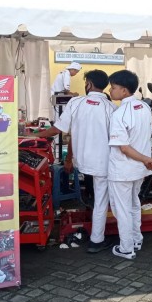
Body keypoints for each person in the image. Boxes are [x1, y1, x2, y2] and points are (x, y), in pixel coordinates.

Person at [34, 70, 117, 254]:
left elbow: (58, 130)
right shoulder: (111, 108)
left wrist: (33, 135)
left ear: (88, 84)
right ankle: (97, 240)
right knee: (101, 201)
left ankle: (95, 233)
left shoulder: (76, 102)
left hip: (82, 162)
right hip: (103, 164)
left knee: (92, 195)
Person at [107, 70, 152, 260]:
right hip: (138, 170)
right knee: (134, 204)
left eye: (114, 88)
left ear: (125, 91)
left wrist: (144, 159)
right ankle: (136, 238)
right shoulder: (144, 107)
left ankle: (126, 248)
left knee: (122, 209)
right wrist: (144, 160)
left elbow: (124, 148)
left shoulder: (119, 114)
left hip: (123, 169)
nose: (111, 91)